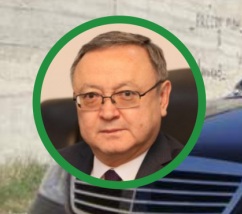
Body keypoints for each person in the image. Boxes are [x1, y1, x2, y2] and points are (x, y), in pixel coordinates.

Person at [59, 31, 183, 181]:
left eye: (126, 94)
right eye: (91, 96)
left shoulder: (187, 169)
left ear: (162, 98)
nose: (108, 113)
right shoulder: (57, 166)